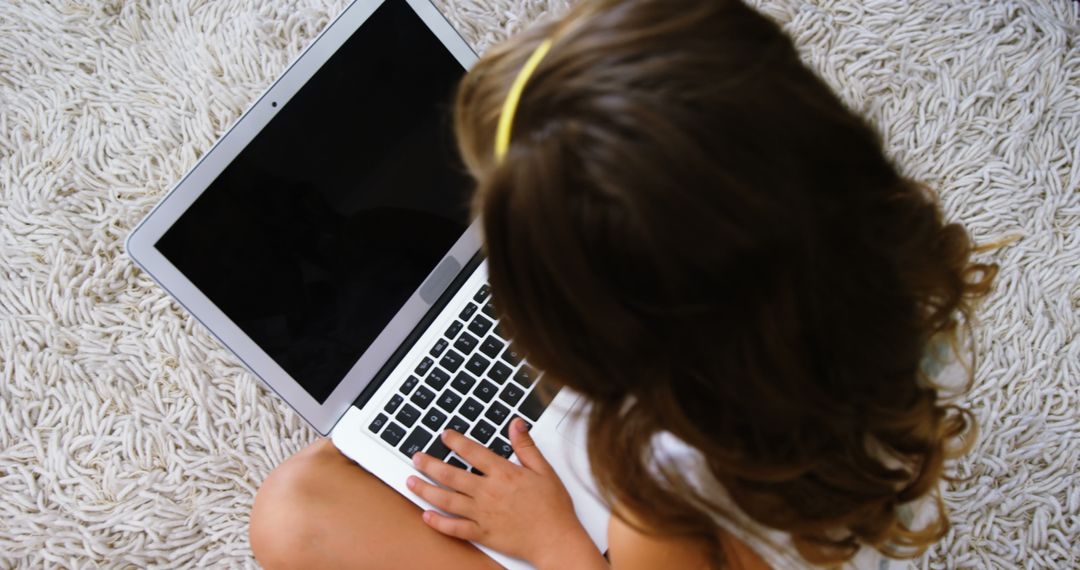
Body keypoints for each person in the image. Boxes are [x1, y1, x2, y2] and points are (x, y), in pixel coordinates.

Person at [248, 0, 998, 567]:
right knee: (337, 464)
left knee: (292, 511)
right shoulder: (894, 270)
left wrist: (549, 538)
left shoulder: (657, 492)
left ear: (607, 344)